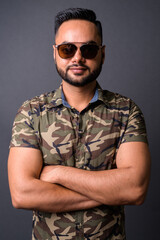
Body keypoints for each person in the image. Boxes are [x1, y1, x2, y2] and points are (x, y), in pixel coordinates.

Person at [8, 8, 151, 240]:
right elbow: (22, 194)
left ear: (102, 54)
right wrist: (112, 192)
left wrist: (57, 173)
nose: (77, 57)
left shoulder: (127, 111)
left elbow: (135, 189)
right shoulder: (31, 112)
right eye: (67, 49)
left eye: (89, 49)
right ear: (54, 53)